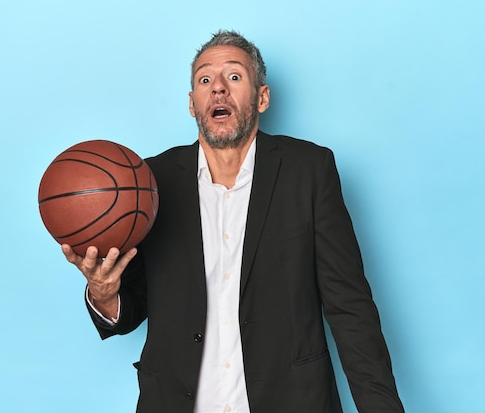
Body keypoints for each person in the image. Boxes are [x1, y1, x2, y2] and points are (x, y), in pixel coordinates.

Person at [62, 30, 405, 413]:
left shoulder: (309, 171)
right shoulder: (150, 183)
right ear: (193, 104)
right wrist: (104, 294)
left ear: (262, 97)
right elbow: (134, 307)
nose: (218, 89)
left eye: (234, 76)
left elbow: (350, 308)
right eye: (205, 79)